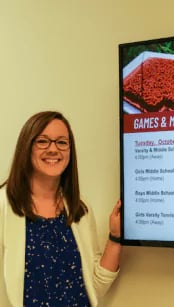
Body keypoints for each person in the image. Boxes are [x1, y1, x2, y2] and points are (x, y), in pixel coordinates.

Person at [0, 111, 121, 306]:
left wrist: (115, 238)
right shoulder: (4, 205)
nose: (53, 149)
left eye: (62, 142)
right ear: (26, 147)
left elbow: (95, 287)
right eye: (43, 141)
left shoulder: (79, 208)